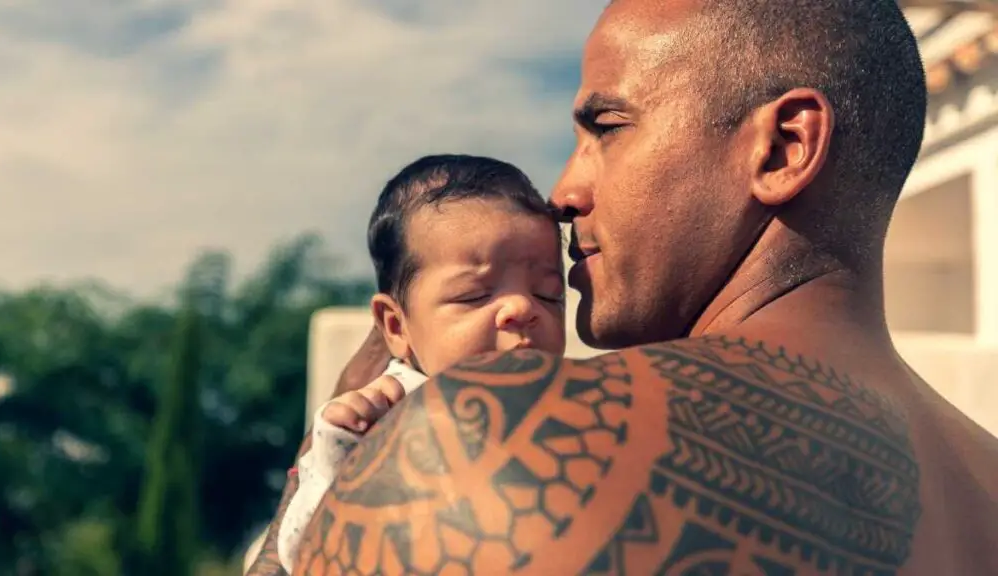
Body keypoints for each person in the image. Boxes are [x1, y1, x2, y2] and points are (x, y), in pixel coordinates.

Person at [282, 0, 998, 573]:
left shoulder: (495, 439)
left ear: (782, 148)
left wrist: (316, 483)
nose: (563, 192)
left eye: (608, 127)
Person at [271, 154, 568, 574]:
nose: (522, 307)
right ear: (396, 325)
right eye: (474, 296)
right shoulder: (385, 413)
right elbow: (300, 551)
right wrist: (340, 452)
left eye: (549, 294)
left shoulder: (572, 401)